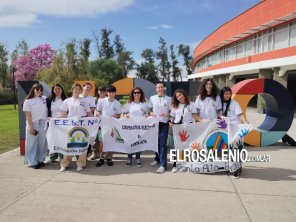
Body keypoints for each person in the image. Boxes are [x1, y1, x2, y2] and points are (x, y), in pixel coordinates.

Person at [59, 83, 92, 172]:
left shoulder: (84, 101)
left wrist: (92, 122)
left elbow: (89, 113)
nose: (77, 90)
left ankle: (80, 163)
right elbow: (63, 113)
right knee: (68, 144)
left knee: (82, 144)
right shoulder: (67, 101)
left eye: (79, 89)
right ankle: (65, 163)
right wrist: (56, 120)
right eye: (75, 89)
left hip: (82, 125)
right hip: (70, 126)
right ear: (72, 89)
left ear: (80, 91)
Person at [220, 86, 247, 179]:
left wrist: (245, 123)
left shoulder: (234, 103)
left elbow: (240, 114)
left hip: (235, 128)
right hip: (224, 129)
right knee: (226, 149)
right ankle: (229, 166)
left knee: (236, 149)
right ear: (222, 94)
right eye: (226, 93)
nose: (228, 95)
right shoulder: (219, 103)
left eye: (229, 93)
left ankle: (237, 170)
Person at [170, 89, 198, 173]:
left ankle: (184, 165)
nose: (179, 97)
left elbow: (195, 116)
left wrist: (203, 121)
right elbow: (172, 117)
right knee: (177, 146)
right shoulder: (175, 106)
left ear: (184, 94)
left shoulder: (192, 105)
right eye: (177, 96)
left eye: (180, 95)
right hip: (177, 128)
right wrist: (170, 122)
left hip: (188, 128)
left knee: (186, 147)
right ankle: (175, 164)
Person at [95, 85, 122, 167]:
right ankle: (101, 158)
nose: (111, 94)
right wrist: (98, 114)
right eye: (109, 92)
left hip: (113, 126)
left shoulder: (117, 103)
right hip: (103, 125)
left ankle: (109, 158)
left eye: (113, 92)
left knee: (111, 142)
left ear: (115, 93)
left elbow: (119, 114)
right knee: (102, 142)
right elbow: (98, 111)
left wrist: (115, 116)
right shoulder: (102, 101)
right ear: (107, 93)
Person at [23, 83, 48, 169]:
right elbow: (28, 116)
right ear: (33, 89)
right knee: (31, 144)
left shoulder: (44, 99)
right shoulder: (28, 101)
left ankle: (40, 160)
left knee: (43, 143)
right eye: (37, 89)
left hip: (43, 124)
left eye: (41, 90)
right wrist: (31, 127)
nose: (39, 91)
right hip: (33, 123)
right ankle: (32, 162)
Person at [123, 87, 149, 168]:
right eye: (135, 93)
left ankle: (138, 158)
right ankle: (129, 158)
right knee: (130, 142)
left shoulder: (144, 104)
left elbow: (147, 114)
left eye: (138, 92)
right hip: (130, 127)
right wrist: (125, 115)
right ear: (132, 94)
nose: (136, 94)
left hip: (140, 127)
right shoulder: (129, 104)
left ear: (141, 94)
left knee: (138, 143)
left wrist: (147, 115)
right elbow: (123, 113)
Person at [149, 83, 171, 173]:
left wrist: (167, 114)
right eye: (158, 87)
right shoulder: (152, 98)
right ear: (156, 89)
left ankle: (163, 165)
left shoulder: (169, 99)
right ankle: (157, 159)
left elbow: (172, 111)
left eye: (161, 87)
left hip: (164, 123)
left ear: (164, 88)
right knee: (156, 142)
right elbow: (149, 110)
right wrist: (151, 113)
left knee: (162, 144)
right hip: (155, 123)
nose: (160, 88)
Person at [46, 84, 67, 164]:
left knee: (62, 140)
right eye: (55, 89)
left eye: (59, 88)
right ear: (53, 91)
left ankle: (62, 157)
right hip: (53, 123)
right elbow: (47, 111)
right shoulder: (49, 99)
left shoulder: (66, 99)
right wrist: (48, 117)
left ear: (62, 89)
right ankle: (52, 157)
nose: (57, 90)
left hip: (64, 123)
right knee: (52, 139)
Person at [90, 85, 107, 160]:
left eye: (104, 90)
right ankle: (94, 153)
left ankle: (102, 153)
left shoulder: (107, 99)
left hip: (104, 122)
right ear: (98, 91)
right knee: (95, 137)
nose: (102, 92)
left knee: (101, 138)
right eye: (100, 90)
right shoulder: (94, 100)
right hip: (95, 122)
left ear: (106, 92)